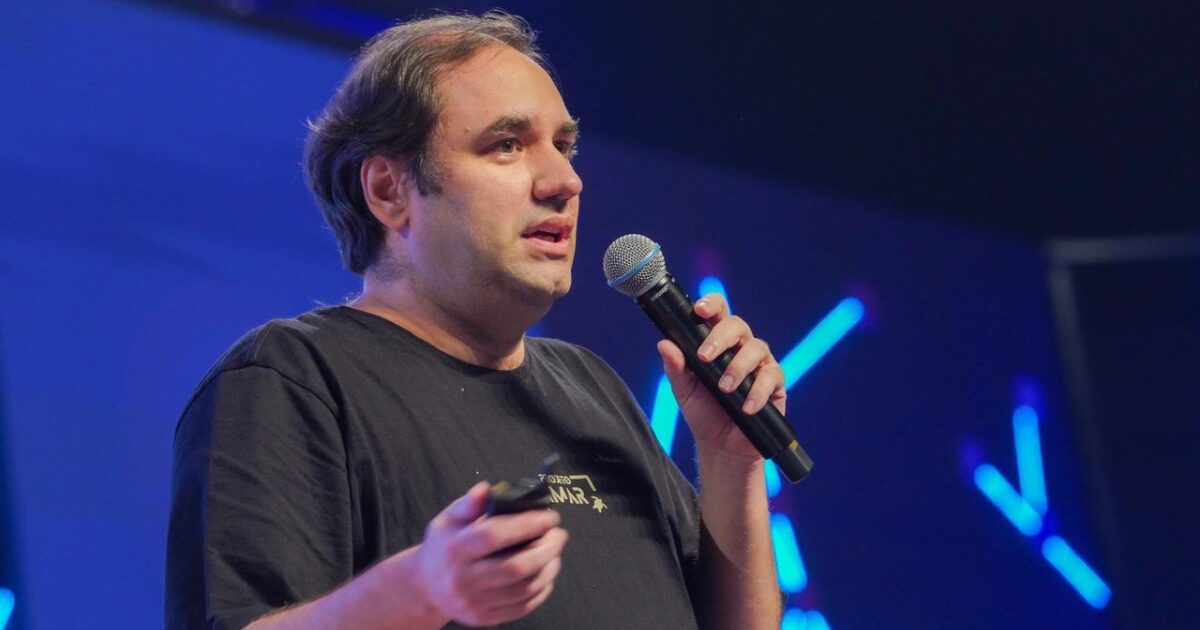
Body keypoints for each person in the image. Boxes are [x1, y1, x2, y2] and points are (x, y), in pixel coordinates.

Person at [166, 11, 787, 630]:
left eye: (564, 146)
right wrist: (421, 590)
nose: (565, 180)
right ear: (389, 191)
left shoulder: (592, 387)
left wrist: (730, 461)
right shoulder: (292, 379)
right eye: (507, 145)